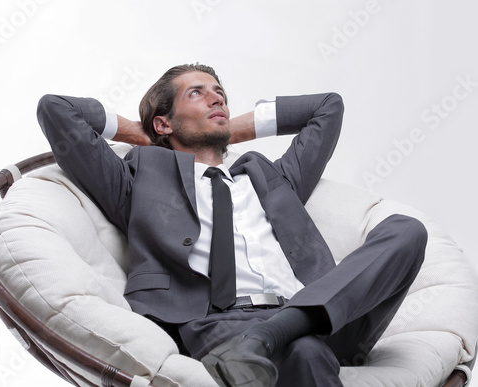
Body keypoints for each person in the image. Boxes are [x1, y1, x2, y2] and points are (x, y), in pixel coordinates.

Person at [37, 63, 428, 387]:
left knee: (407, 230)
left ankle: (270, 334)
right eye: (197, 93)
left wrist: (228, 129)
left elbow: (327, 107)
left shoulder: (273, 177)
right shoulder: (139, 181)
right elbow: (56, 110)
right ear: (163, 123)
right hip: (215, 323)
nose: (216, 97)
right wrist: (142, 136)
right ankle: (266, 340)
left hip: (323, 313)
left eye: (219, 92)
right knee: (304, 353)